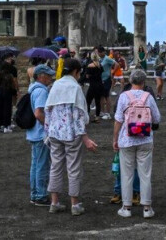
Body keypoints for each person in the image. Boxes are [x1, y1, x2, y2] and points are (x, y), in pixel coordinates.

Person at [45, 58, 99, 216]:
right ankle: (75, 204)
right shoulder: (75, 88)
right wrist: (85, 138)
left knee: (55, 166)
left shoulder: (55, 85)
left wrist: (48, 130)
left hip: (55, 132)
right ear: (76, 72)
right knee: (73, 168)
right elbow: (79, 115)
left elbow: (48, 109)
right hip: (71, 133)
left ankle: (54, 202)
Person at [113, 69, 161, 219]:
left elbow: (118, 120)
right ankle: (147, 207)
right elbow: (157, 119)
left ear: (131, 81)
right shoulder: (149, 97)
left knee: (126, 174)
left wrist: (115, 139)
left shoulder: (123, 97)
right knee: (145, 174)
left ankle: (126, 207)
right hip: (145, 139)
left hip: (127, 139)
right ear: (143, 81)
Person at [26, 64, 55, 206]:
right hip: (40, 133)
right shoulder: (42, 92)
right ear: (41, 76)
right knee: (42, 165)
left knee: (36, 164)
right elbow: (39, 113)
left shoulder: (33, 89)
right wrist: (49, 127)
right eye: (48, 75)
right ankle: (41, 195)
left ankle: (35, 193)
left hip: (34, 132)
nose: (51, 77)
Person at [0, 55, 17, 133]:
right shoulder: (9, 76)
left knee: (0, 108)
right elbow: (13, 85)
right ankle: (6, 126)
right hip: (7, 92)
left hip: (0, 92)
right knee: (7, 109)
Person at [84, 52, 104, 122]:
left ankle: (87, 115)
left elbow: (87, 76)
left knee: (88, 101)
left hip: (92, 85)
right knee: (97, 102)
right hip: (99, 85)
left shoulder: (90, 65)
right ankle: (97, 117)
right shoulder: (100, 65)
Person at [97, 46, 115, 120]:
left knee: (106, 96)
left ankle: (108, 113)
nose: (99, 54)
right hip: (101, 79)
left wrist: (112, 73)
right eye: (98, 52)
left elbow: (116, 64)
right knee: (101, 96)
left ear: (103, 52)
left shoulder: (107, 58)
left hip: (107, 79)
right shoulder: (100, 59)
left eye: (100, 52)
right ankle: (102, 111)